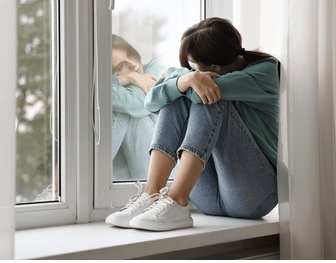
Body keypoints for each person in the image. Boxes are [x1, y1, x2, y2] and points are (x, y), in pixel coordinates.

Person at [106, 17, 280, 231]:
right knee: (180, 94)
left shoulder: (266, 72)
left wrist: (181, 80)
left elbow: (194, 92)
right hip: (206, 198)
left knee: (208, 96)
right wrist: (186, 79)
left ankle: (178, 199)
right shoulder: (204, 75)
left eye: (194, 68)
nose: (191, 72)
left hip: (255, 195)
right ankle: (151, 193)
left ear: (214, 67)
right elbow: (151, 101)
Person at [111, 34, 167, 180]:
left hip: (168, 171)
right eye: (121, 66)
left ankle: (67, 179)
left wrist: (127, 76)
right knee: (109, 107)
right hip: (126, 176)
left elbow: (136, 103)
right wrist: (130, 77)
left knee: (127, 110)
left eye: (130, 54)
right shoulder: (122, 81)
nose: (133, 64)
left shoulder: (158, 67)